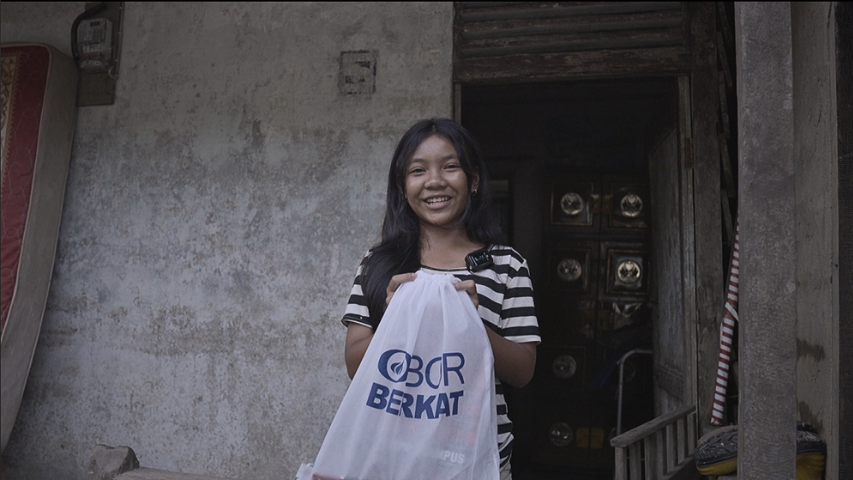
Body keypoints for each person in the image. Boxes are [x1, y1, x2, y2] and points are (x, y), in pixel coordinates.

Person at [341, 118, 540, 479]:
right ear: (403, 187)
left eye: (450, 167)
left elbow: (523, 371)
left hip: (477, 460)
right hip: (391, 457)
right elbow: (356, 367)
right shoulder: (377, 265)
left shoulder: (506, 265)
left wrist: (471, 323)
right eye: (418, 170)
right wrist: (395, 316)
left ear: (474, 180)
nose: (434, 181)